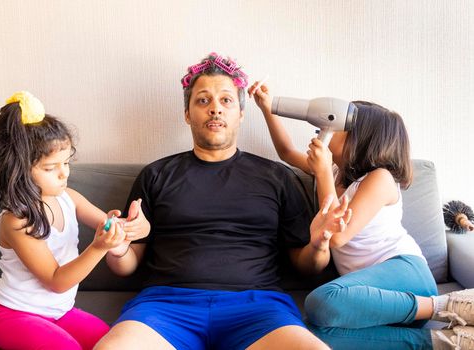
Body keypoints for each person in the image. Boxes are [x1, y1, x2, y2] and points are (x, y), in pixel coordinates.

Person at [94, 53, 352, 350]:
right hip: (166, 307)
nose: (215, 108)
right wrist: (117, 247)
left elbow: (308, 267)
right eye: (203, 101)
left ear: (241, 113)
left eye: (226, 101)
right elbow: (126, 265)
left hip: (257, 309)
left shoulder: (277, 177)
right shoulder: (156, 175)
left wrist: (319, 242)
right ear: (187, 114)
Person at [251, 83, 474, 350]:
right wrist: (267, 109)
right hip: (367, 301)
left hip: (406, 278)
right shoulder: (334, 173)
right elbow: (286, 152)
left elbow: (337, 236)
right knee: (310, 333)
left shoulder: (379, 179)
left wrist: (322, 173)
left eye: (341, 126)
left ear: (361, 139)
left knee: (320, 301)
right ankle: (441, 342)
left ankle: (446, 305)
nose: (330, 129)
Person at [0, 91, 150, 350]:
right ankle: (1, 341)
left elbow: (108, 223)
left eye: (66, 163)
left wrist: (128, 225)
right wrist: (98, 248)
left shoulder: (69, 198)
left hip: (60, 313)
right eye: (50, 168)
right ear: (19, 169)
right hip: (15, 315)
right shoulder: (18, 220)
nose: (63, 173)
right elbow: (56, 280)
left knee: (114, 342)